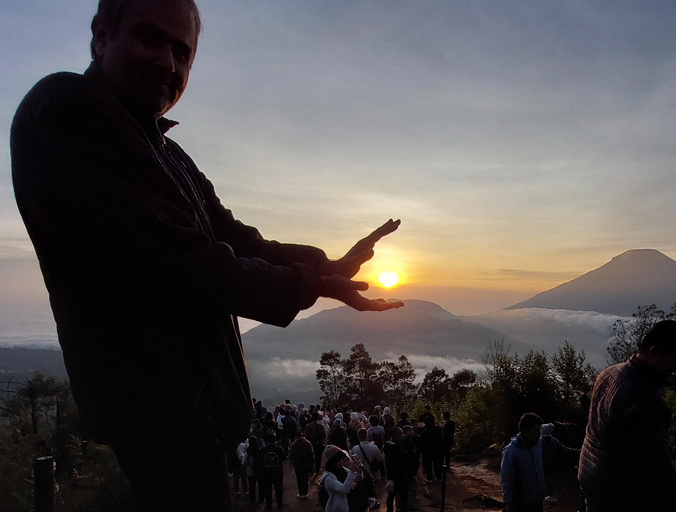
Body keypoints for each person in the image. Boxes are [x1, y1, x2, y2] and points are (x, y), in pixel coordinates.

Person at [10, 0, 403, 509]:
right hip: (150, 406)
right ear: (102, 34)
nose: (168, 63)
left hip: (188, 409)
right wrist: (311, 283)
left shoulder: (167, 154)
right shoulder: (66, 108)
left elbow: (236, 237)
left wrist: (327, 265)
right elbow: (181, 258)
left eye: (182, 52)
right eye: (151, 39)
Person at [578, 320, 676, 512]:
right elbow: (657, 468)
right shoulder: (646, 400)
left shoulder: (609, 373)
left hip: (590, 474)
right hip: (620, 493)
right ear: (654, 353)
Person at [500, 413, 547, 512]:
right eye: (536, 430)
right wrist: (508, 503)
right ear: (526, 431)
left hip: (537, 501)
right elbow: (507, 479)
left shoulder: (538, 444)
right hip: (520, 504)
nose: (539, 434)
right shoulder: (511, 452)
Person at [539, 423, 579, 504]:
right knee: (547, 479)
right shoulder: (554, 441)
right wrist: (578, 451)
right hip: (551, 464)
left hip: (541, 464)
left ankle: (550, 495)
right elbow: (565, 449)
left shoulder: (539, 441)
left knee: (545, 479)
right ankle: (548, 495)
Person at [320, 445, 361, 512]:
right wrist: (352, 472)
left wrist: (358, 468)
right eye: (340, 460)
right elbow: (343, 489)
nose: (342, 463)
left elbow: (357, 478)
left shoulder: (341, 469)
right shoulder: (328, 477)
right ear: (333, 461)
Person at [289, 430, 315, 499]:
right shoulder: (308, 443)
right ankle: (305, 493)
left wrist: (292, 462)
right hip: (306, 464)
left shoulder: (293, 444)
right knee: (305, 478)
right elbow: (311, 453)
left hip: (298, 465)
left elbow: (291, 455)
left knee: (299, 479)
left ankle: (301, 493)